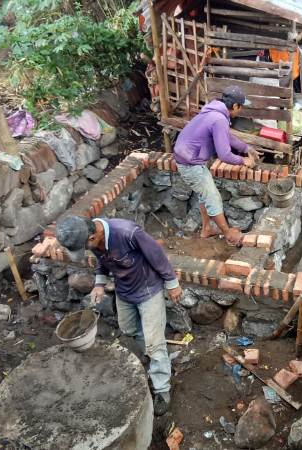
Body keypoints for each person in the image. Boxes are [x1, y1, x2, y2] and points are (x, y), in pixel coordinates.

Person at [55, 215, 182, 416]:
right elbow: (101, 262)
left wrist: (172, 283)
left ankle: (162, 388)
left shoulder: (127, 232)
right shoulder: (93, 238)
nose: (88, 249)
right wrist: (99, 284)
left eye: (86, 246)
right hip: (125, 291)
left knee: (154, 343)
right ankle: (154, 355)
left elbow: (157, 255)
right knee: (129, 329)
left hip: (148, 289)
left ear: (92, 236)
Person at [174, 85, 260, 246]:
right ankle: (229, 235)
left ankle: (206, 228)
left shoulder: (213, 112)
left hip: (187, 157)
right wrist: (243, 161)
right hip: (190, 163)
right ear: (235, 106)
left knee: (204, 195)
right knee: (212, 197)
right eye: (240, 107)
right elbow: (224, 155)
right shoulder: (219, 118)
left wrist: (246, 148)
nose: (240, 111)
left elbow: (226, 136)